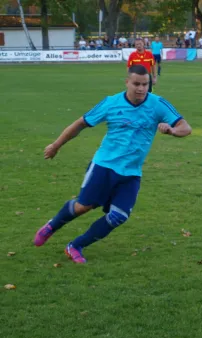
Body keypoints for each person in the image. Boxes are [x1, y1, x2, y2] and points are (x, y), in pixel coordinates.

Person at [33, 65, 192, 264]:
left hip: (131, 172)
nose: (141, 89)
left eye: (145, 84)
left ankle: (76, 245)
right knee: (84, 206)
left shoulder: (157, 104)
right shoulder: (111, 103)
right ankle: (52, 226)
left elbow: (185, 128)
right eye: (136, 84)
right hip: (104, 166)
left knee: (119, 216)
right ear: (127, 82)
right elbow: (80, 123)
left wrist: (172, 131)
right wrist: (56, 145)